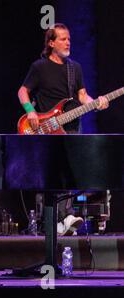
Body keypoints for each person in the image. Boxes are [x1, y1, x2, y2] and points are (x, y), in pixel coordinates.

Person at [17, 23, 109, 235]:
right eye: (63, 39)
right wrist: (31, 110)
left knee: (69, 173)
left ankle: (65, 218)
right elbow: (23, 91)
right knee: (50, 175)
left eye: (69, 39)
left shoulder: (74, 68)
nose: (68, 42)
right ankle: (53, 220)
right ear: (51, 43)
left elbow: (82, 96)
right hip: (47, 127)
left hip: (72, 127)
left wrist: (97, 102)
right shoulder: (39, 67)